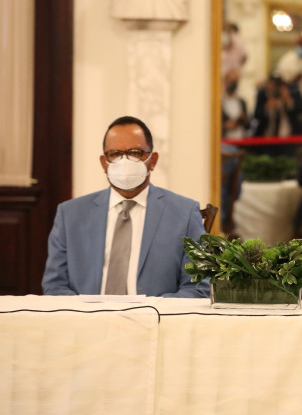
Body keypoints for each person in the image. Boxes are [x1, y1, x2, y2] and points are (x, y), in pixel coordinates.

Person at [42, 116, 209, 298]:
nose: (124, 162)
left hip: (154, 315)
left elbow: (197, 288)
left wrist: (151, 310)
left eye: (135, 153)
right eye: (115, 154)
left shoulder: (184, 213)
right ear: (104, 163)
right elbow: (55, 285)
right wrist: (85, 312)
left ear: (152, 160)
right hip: (87, 315)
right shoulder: (70, 215)